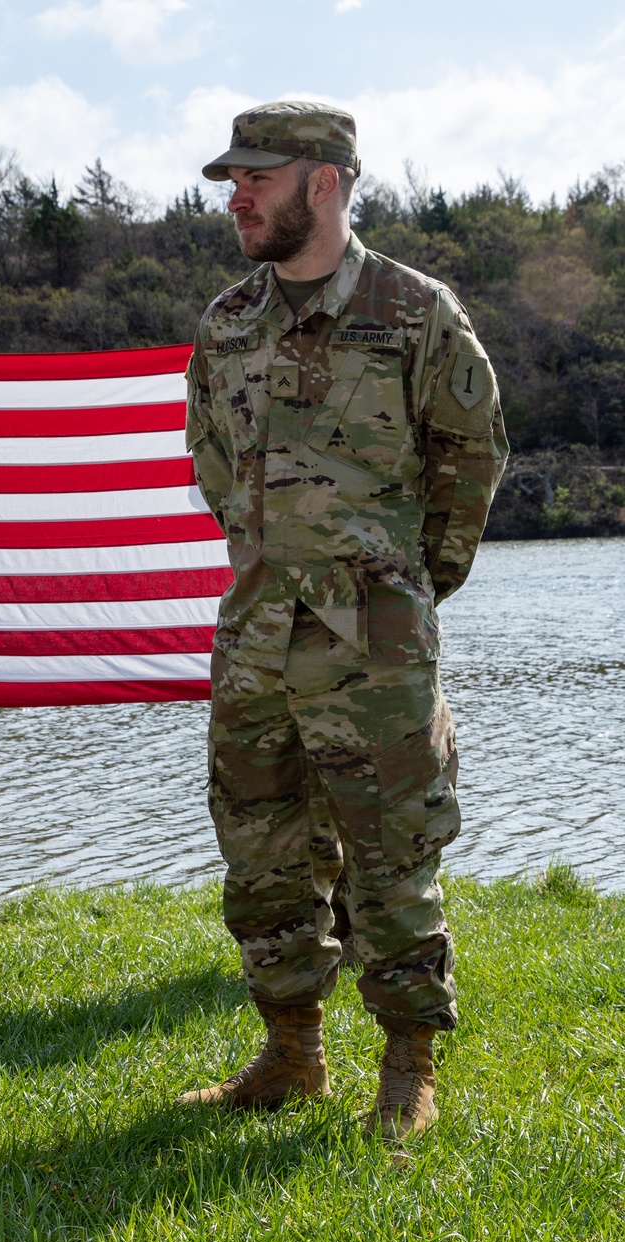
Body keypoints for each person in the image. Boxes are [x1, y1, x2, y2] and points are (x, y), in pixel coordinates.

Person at [180, 100, 508, 1141]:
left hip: (375, 653)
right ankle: (290, 1055)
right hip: (254, 642)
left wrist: (406, 591)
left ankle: (406, 1068)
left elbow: (472, 458)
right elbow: (215, 470)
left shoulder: (415, 310)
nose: (237, 195)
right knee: (262, 856)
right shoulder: (228, 323)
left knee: (391, 858)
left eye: (258, 177)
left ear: (322, 182)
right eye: (232, 178)